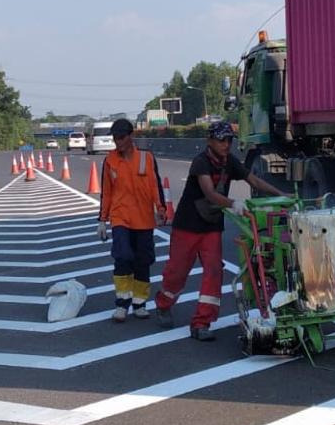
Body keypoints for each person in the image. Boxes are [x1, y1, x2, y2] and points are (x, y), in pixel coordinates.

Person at [154, 121, 284, 341]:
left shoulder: (229, 162)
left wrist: (281, 195)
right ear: (210, 141)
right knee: (177, 272)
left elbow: (253, 180)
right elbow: (210, 193)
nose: (226, 145)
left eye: (229, 140)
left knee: (214, 271)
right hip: (188, 224)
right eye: (221, 140)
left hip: (211, 225)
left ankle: (201, 323)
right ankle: (163, 303)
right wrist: (234, 203)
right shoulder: (200, 162)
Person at [97, 118, 166, 322]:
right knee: (123, 257)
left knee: (143, 261)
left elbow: (156, 186)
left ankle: (139, 303)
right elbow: (106, 193)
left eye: (121, 137)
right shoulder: (109, 161)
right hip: (120, 218)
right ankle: (122, 304)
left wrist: (160, 208)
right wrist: (102, 220)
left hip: (144, 219)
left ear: (130, 136)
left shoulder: (147, 158)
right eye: (115, 137)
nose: (117, 141)